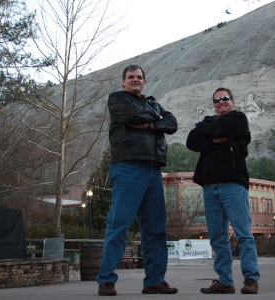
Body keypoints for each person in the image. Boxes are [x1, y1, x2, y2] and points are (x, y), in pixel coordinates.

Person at [97, 65, 178, 296]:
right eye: (131, 77)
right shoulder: (117, 99)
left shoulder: (152, 103)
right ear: (123, 81)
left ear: (144, 81)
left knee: (156, 230)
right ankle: (106, 279)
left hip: (153, 171)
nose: (135, 80)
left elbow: (172, 123)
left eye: (139, 77)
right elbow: (131, 116)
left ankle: (154, 281)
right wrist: (158, 120)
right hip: (127, 167)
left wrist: (151, 123)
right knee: (119, 225)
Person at [186, 87, 260, 295]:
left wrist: (209, 135)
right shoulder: (210, 122)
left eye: (225, 98)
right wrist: (215, 136)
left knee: (243, 235)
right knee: (218, 238)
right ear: (214, 104)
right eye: (217, 100)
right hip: (210, 187)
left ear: (233, 102)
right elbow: (191, 141)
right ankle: (225, 281)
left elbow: (213, 132)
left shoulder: (239, 119)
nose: (221, 102)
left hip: (233, 185)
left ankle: (251, 279)